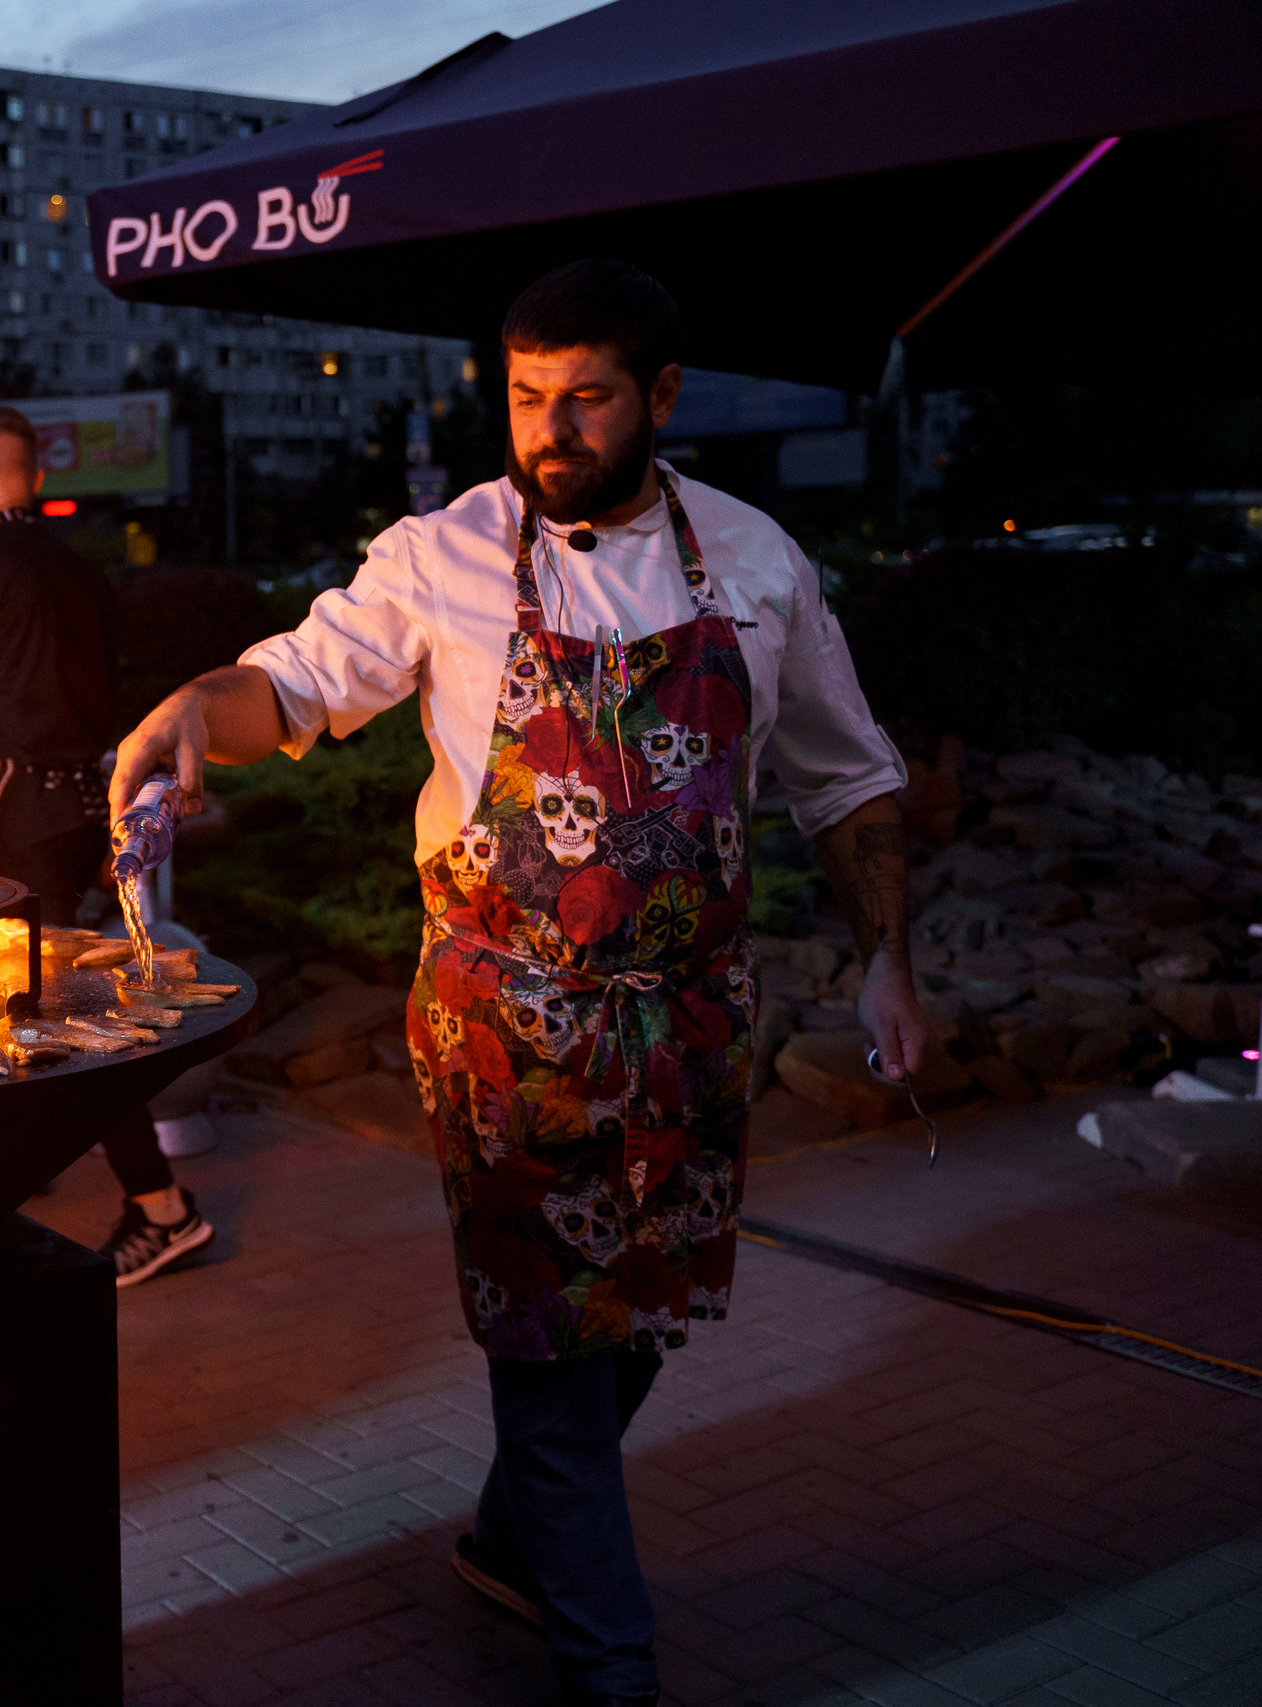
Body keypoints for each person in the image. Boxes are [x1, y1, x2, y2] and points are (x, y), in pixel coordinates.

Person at [109, 260, 925, 1706]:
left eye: (587, 399)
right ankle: (612, 1664)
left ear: (661, 398)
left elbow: (850, 778)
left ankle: (507, 1533)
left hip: (687, 1019)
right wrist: (193, 709)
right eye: (528, 397)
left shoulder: (754, 561)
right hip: (505, 1022)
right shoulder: (444, 555)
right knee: (552, 1349)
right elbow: (292, 686)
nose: (550, 431)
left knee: (642, 1318)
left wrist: (888, 962)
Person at [0, 407, 215, 1287]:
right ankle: (11, 1175)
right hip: (84, 811)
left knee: (62, 1013)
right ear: (35, 478)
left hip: (17, 825)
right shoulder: (80, 573)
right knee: (30, 1005)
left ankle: (163, 1207)